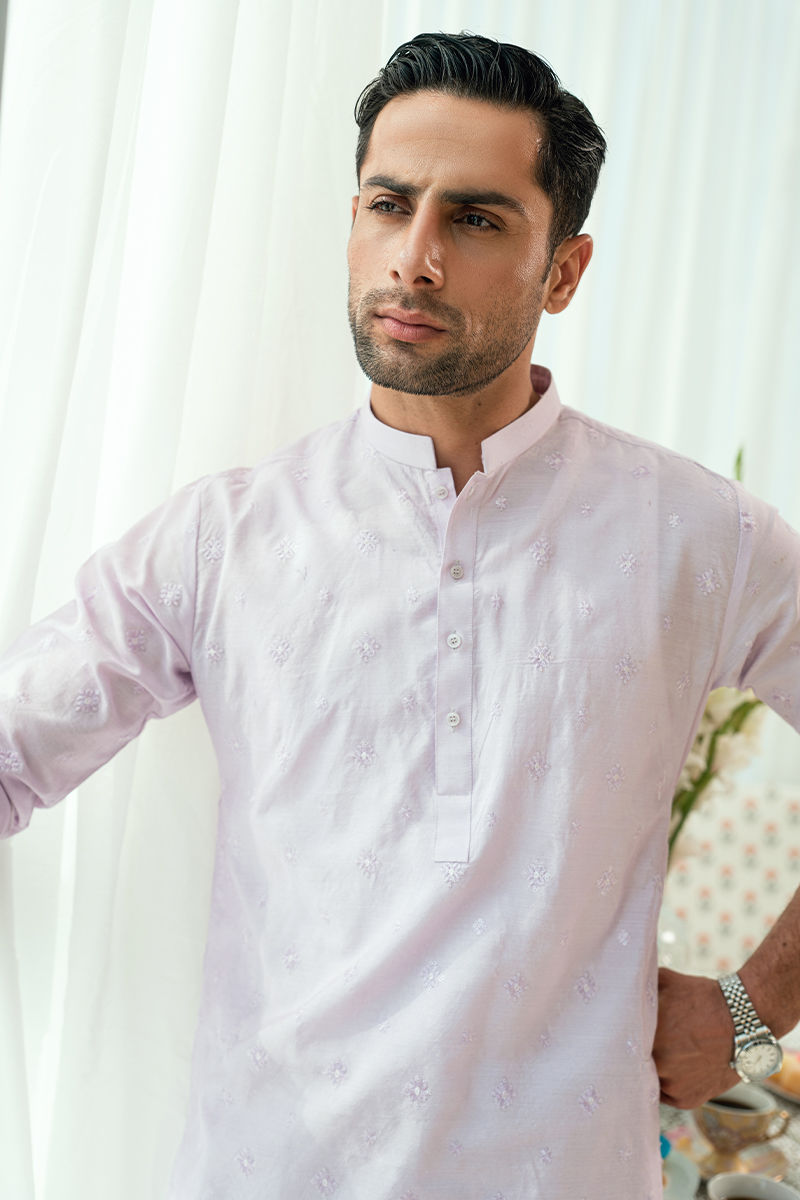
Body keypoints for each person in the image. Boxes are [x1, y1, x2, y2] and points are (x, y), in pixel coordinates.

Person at [2, 30, 799, 1200]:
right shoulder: (219, 541)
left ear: (563, 271)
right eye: (389, 205)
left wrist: (751, 1004)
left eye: (473, 219)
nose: (414, 259)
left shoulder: (699, 537)